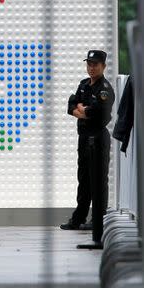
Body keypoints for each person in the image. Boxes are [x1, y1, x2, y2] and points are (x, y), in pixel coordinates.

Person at [60, 49, 115, 250]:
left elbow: (101, 113)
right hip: (83, 137)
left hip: (98, 137)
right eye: (89, 64)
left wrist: (85, 111)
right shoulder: (84, 84)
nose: (91, 68)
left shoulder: (105, 89)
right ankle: (79, 217)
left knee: (98, 179)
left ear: (103, 66)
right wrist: (82, 112)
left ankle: (98, 218)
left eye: (95, 65)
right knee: (83, 178)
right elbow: (71, 105)